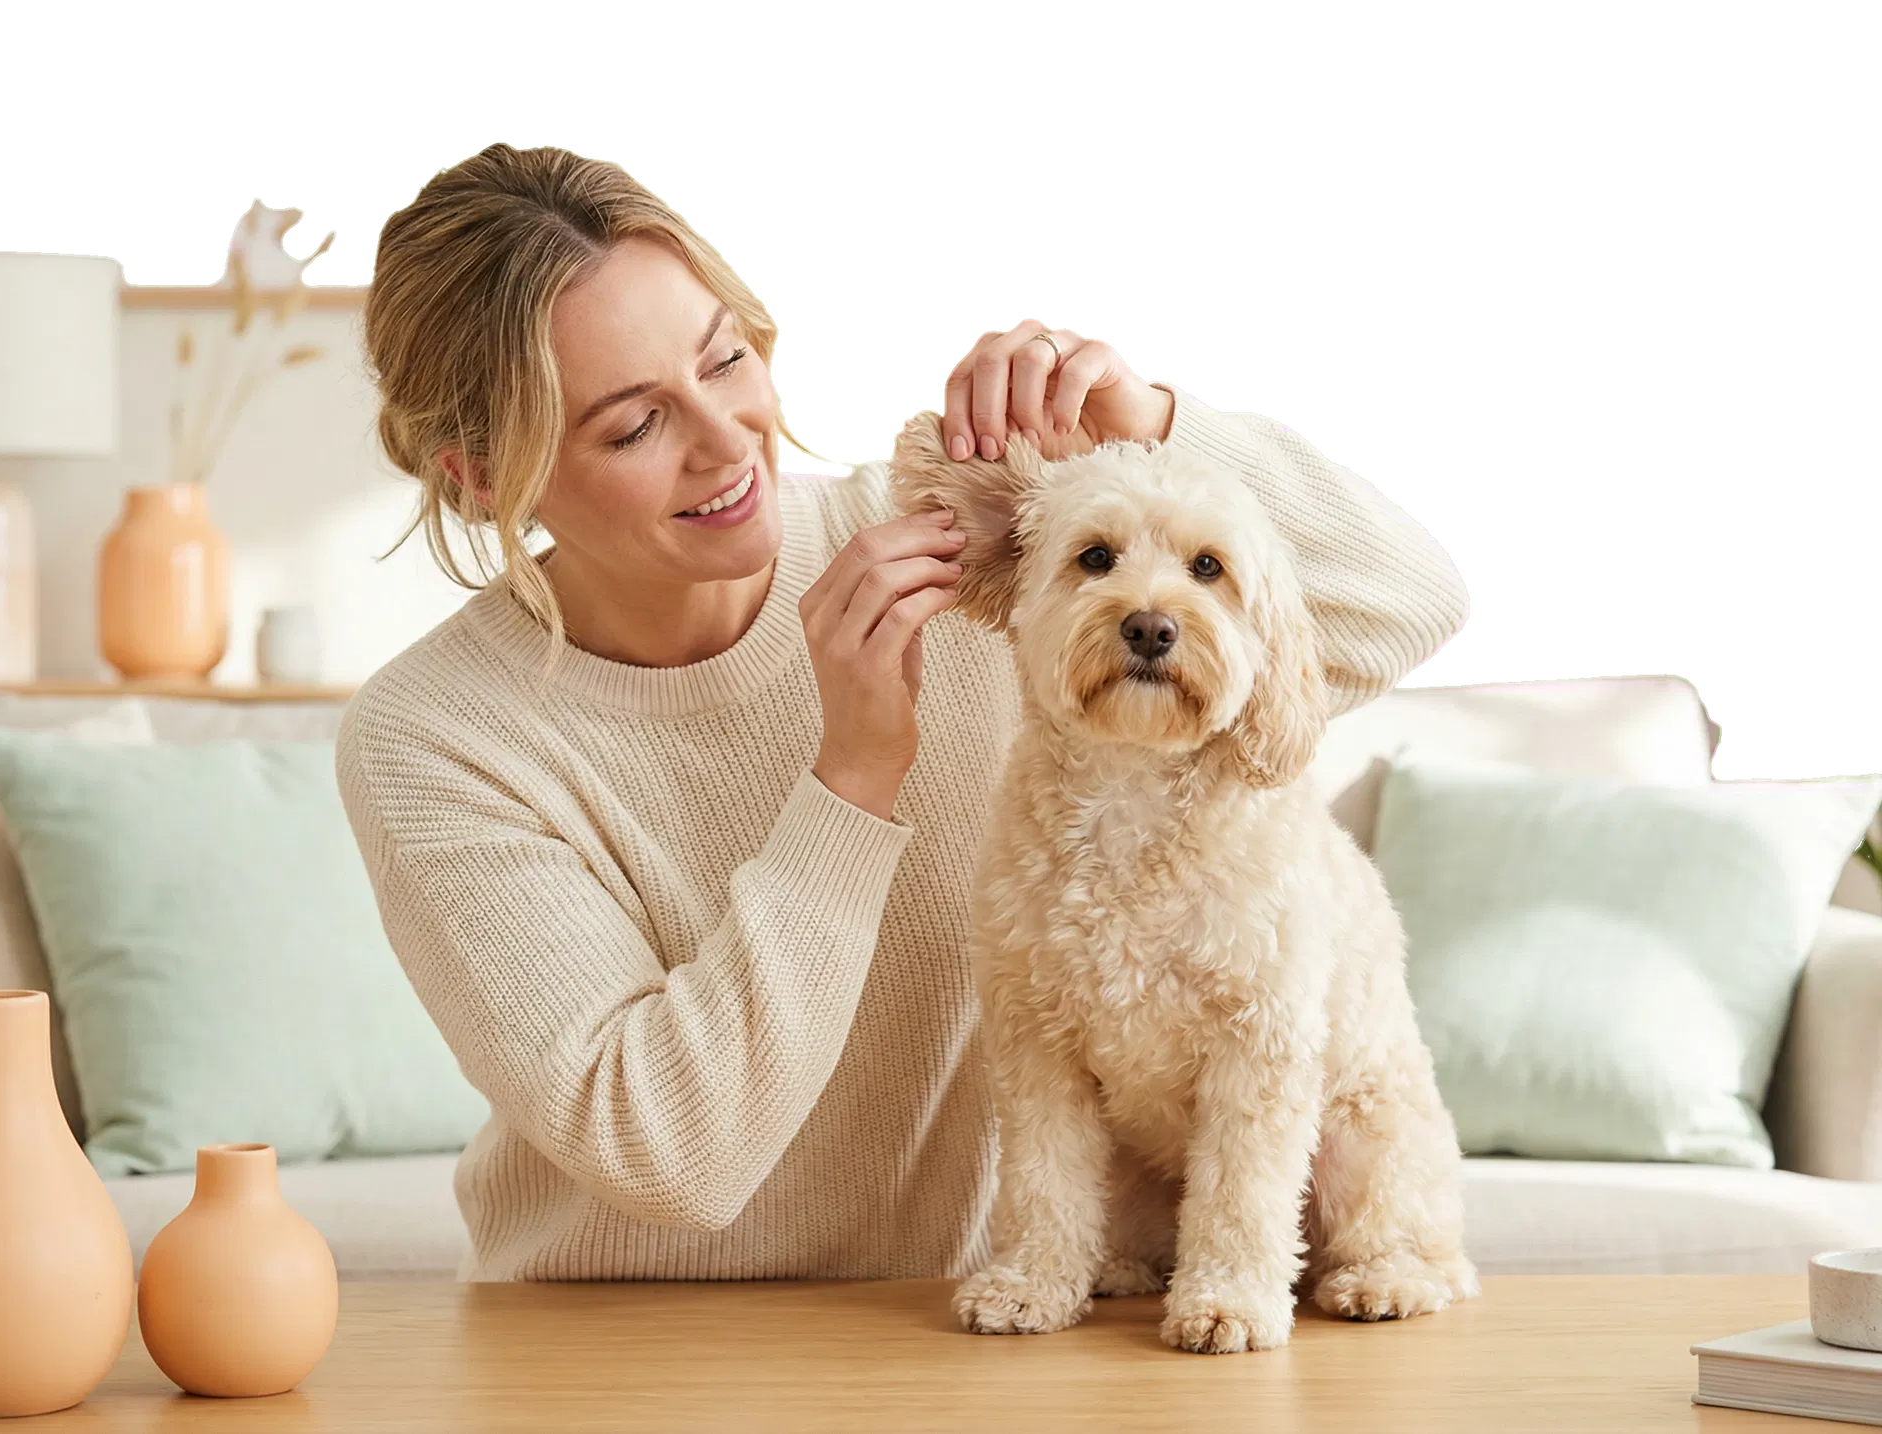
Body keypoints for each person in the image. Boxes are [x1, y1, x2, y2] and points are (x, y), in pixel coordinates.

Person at [336, 140, 1471, 1283]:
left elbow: (1410, 610)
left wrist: (1155, 426)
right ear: (484, 478)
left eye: (726, 359)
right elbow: (674, 1158)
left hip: (959, 1329)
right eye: (635, 426)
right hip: (618, 1346)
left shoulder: (951, 557)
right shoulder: (436, 739)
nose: (729, 440)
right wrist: (850, 781)